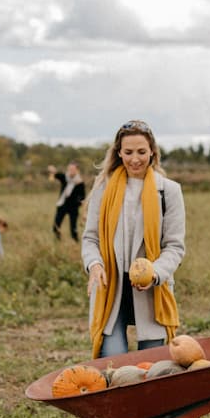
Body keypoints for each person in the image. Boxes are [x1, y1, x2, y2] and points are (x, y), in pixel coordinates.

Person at [82, 120, 186, 358]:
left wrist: (156, 273)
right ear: (119, 153)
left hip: (152, 290)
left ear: (152, 152)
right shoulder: (103, 190)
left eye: (141, 152)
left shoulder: (169, 191)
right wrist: (94, 264)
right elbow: (90, 239)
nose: (135, 159)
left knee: (151, 366)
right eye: (128, 152)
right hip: (111, 286)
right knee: (113, 361)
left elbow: (174, 246)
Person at [48, 161, 86, 241]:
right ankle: (58, 240)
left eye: (72, 169)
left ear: (77, 170)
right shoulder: (65, 178)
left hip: (73, 207)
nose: (70, 171)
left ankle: (75, 242)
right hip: (62, 205)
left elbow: (82, 196)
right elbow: (57, 175)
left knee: (73, 228)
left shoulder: (80, 182)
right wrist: (53, 170)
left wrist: (80, 203)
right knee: (56, 226)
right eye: (69, 169)